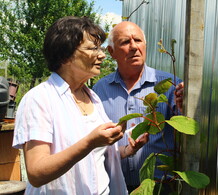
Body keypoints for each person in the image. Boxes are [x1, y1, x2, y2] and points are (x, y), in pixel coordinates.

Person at [12, 16, 148, 195]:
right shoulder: (39, 99)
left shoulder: (92, 97)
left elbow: (96, 158)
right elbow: (37, 173)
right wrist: (90, 142)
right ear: (65, 56)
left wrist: (127, 150)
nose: (102, 54)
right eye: (93, 48)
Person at [93, 21, 184, 192]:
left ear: (145, 46)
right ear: (111, 52)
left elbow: (186, 133)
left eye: (138, 40)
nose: (134, 47)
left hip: (160, 188)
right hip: (113, 188)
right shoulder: (99, 90)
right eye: (125, 42)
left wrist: (184, 109)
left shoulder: (168, 85)